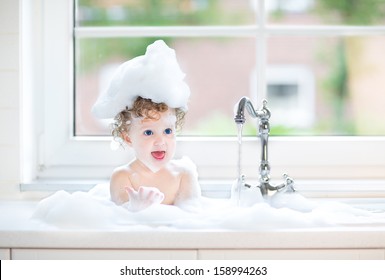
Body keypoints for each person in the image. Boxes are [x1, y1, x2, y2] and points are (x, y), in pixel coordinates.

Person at [92, 40, 201, 212]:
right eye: (149, 132)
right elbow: (120, 221)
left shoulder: (183, 175)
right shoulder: (123, 177)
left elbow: (193, 217)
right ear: (128, 137)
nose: (160, 141)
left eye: (167, 130)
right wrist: (136, 209)